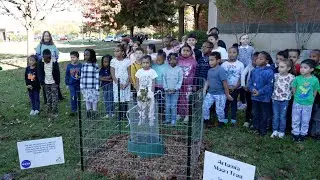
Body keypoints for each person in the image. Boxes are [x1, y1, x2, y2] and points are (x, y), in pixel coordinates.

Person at [203, 52, 233, 128]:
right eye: (209, 60)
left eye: (212, 60)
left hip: (220, 94)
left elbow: (225, 83)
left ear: (218, 60)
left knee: (219, 110)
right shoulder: (209, 71)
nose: (210, 62)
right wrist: (204, 90)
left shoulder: (221, 70)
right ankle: (206, 120)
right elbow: (208, 81)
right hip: (210, 93)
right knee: (205, 106)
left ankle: (221, 122)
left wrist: (227, 94)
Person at [292, 59, 319, 142]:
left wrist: (312, 98)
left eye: (305, 67)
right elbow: (294, 88)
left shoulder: (315, 80)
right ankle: (296, 133)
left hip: (308, 104)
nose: (302, 69)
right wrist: (295, 96)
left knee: (305, 120)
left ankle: (303, 134)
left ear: (311, 69)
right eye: (301, 67)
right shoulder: (297, 78)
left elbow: (315, 90)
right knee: (296, 119)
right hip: (297, 102)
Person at [248, 51, 274, 136]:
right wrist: (252, 89)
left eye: (260, 59)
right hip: (255, 97)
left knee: (264, 114)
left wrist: (259, 92)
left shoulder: (269, 72)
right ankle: (256, 128)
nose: (257, 60)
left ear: (266, 61)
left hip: (265, 99)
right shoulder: (254, 71)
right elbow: (250, 81)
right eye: (257, 58)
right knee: (255, 113)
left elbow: (269, 85)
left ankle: (263, 131)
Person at [35, 31, 64, 102]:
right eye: (45, 36)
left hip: (52, 66)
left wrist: (54, 59)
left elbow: (57, 55)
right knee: (45, 82)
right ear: (43, 37)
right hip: (43, 66)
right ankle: (47, 98)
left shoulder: (53, 45)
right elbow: (37, 55)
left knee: (54, 80)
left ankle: (58, 97)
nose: (46, 37)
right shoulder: (40, 45)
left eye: (48, 36)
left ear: (50, 37)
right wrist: (43, 59)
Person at [270, 60, 295, 138]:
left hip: (285, 100)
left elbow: (293, 88)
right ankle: (275, 130)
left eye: (282, 67)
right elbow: (272, 86)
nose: (279, 68)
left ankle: (281, 131)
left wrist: (291, 95)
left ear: (288, 68)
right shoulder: (275, 75)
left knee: (282, 116)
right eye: (279, 66)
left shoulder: (291, 77)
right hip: (275, 99)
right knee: (275, 115)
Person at [221, 46, 244, 125]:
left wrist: (235, 86)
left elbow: (241, 77)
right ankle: (225, 117)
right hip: (225, 88)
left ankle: (234, 118)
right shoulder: (224, 64)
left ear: (237, 54)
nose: (231, 54)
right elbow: (222, 76)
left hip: (236, 88)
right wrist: (226, 86)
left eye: (234, 52)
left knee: (234, 103)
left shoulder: (240, 64)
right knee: (225, 103)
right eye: (230, 52)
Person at [135, 55, 158, 126]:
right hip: (141, 91)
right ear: (141, 63)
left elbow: (154, 81)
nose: (145, 64)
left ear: (150, 63)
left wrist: (152, 90)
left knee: (151, 106)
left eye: (147, 62)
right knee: (141, 105)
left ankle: (151, 119)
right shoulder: (139, 71)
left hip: (149, 92)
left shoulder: (152, 71)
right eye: (144, 62)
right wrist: (137, 90)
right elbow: (137, 80)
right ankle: (141, 118)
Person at [177, 44, 197, 123]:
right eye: (184, 50)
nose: (185, 52)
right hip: (178, 84)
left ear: (191, 52)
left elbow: (195, 73)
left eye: (187, 51)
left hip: (188, 84)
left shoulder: (193, 61)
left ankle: (187, 115)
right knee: (179, 99)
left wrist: (194, 84)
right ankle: (179, 114)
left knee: (187, 100)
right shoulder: (177, 60)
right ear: (180, 51)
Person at [38, 49, 60, 118]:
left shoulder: (54, 62)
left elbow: (57, 72)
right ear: (43, 57)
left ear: (51, 56)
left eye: (49, 58)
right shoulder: (40, 62)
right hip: (46, 83)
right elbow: (40, 73)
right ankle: (49, 109)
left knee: (54, 97)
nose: (48, 60)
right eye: (46, 59)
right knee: (48, 97)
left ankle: (55, 111)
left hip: (53, 82)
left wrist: (57, 82)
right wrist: (41, 82)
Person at [110, 44, 131, 119]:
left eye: (117, 51)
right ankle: (120, 114)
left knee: (125, 99)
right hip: (117, 83)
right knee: (119, 98)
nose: (115, 53)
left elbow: (129, 74)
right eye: (114, 51)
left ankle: (125, 114)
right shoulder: (113, 61)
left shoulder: (127, 61)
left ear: (122, 52)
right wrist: (117, 83)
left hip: (126, 83)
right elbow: (112, 73)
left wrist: (126, 83)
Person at [163, 53, 183, 125]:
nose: (172, 61)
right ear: (168, 60)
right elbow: (164, 79)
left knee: (173, 105)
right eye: (170, 59)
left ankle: (173, 120)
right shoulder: (166, 69)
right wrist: (166, 88)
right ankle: (167, 119)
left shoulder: (179, 69)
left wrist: (175, 88)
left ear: (177, 60)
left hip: (175, 91)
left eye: (174, 59)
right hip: (167, 91)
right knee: (167, 105)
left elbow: (180, 80)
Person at [80, 49, 100, 119]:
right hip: (85, 87)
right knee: (87, 100)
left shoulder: (95, 66)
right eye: (85, 55)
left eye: (87, 55)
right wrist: (81, 86)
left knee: (94, 100)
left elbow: (97, 77)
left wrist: (97, 88)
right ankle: (88, 112)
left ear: (92, 55)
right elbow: (82, 76)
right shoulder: (83, 65)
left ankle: (94, 112)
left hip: (93, 87)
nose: (86, 56)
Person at [241, 52, 259, 128]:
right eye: (252, 60)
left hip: (258, 91)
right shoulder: (249, 66)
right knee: (249, 105)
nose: (254, 61)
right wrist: (243, 85)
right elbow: (243, 74)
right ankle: (247, 120)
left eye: (256, 60)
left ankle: (254, 121)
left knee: (256, 107)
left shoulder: (264, 67)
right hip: (249, 89)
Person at [152, 50, 170, 122]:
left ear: (164, 59)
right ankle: (154, 116)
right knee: (154, 102)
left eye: (160, 60)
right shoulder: (154, 65)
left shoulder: (167, 66)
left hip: (162, 87)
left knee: (161, 102)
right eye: (157, 59)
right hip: (154, 86)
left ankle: (161, 116)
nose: (158, 61)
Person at [65, 51, 82, 116]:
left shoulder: (80, 65)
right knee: (73, 96)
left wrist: (80, 77)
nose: (72, 59)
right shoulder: (69, 66)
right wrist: (67, 83)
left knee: (78, 97)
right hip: (71, 84)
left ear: (77, 58)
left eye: (74, 57)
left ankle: (79, 109)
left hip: (79, 84)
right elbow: (67, 75)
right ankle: (73, 109)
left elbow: (82, 74)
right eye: (71, 57)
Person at [310, 49, 320, 139]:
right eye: (310, 56)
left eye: (314, 56)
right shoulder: (308, 68)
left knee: (317, 116)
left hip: (318, 97)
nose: (312, 58)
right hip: (309, 97)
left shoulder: (318, 70)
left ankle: (316, 133)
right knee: (310, 114)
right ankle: (310, 131)